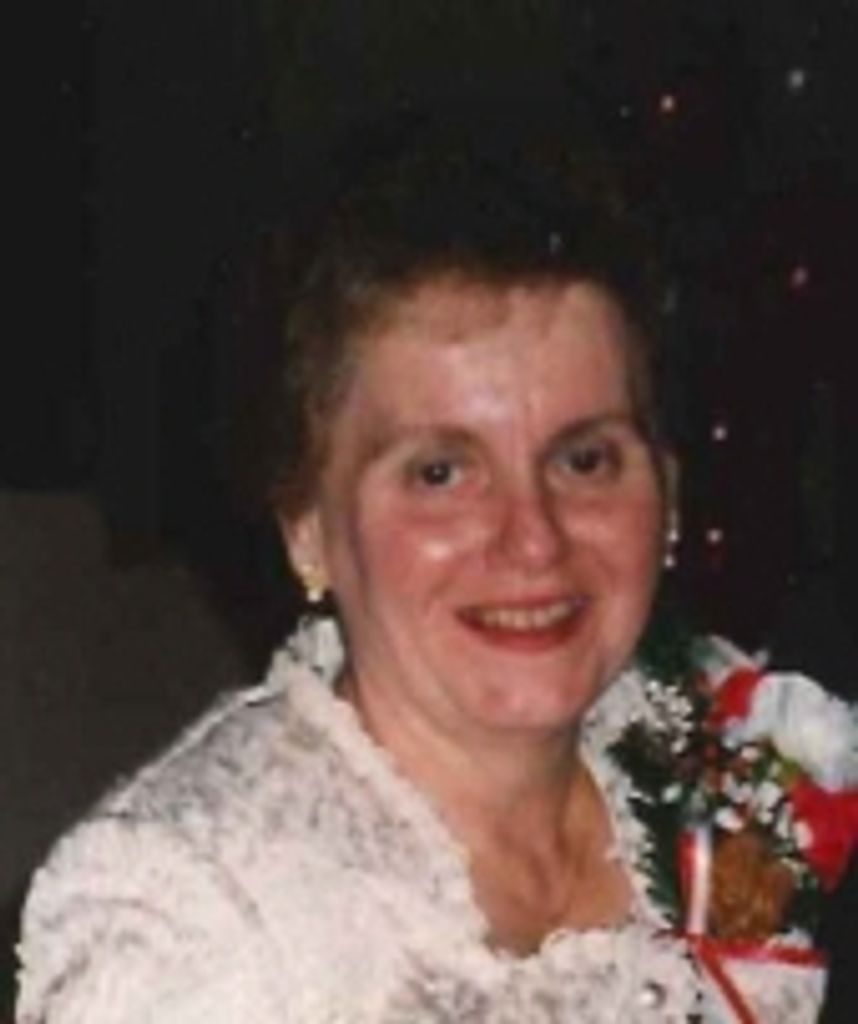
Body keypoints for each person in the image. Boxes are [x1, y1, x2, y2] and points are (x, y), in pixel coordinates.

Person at [16, 126, 856, 1022]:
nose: (533, 540)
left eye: (585, 459)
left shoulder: (744, 759)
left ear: (670, 495)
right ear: (307, 527)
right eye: (441, 473)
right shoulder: (196, 916)